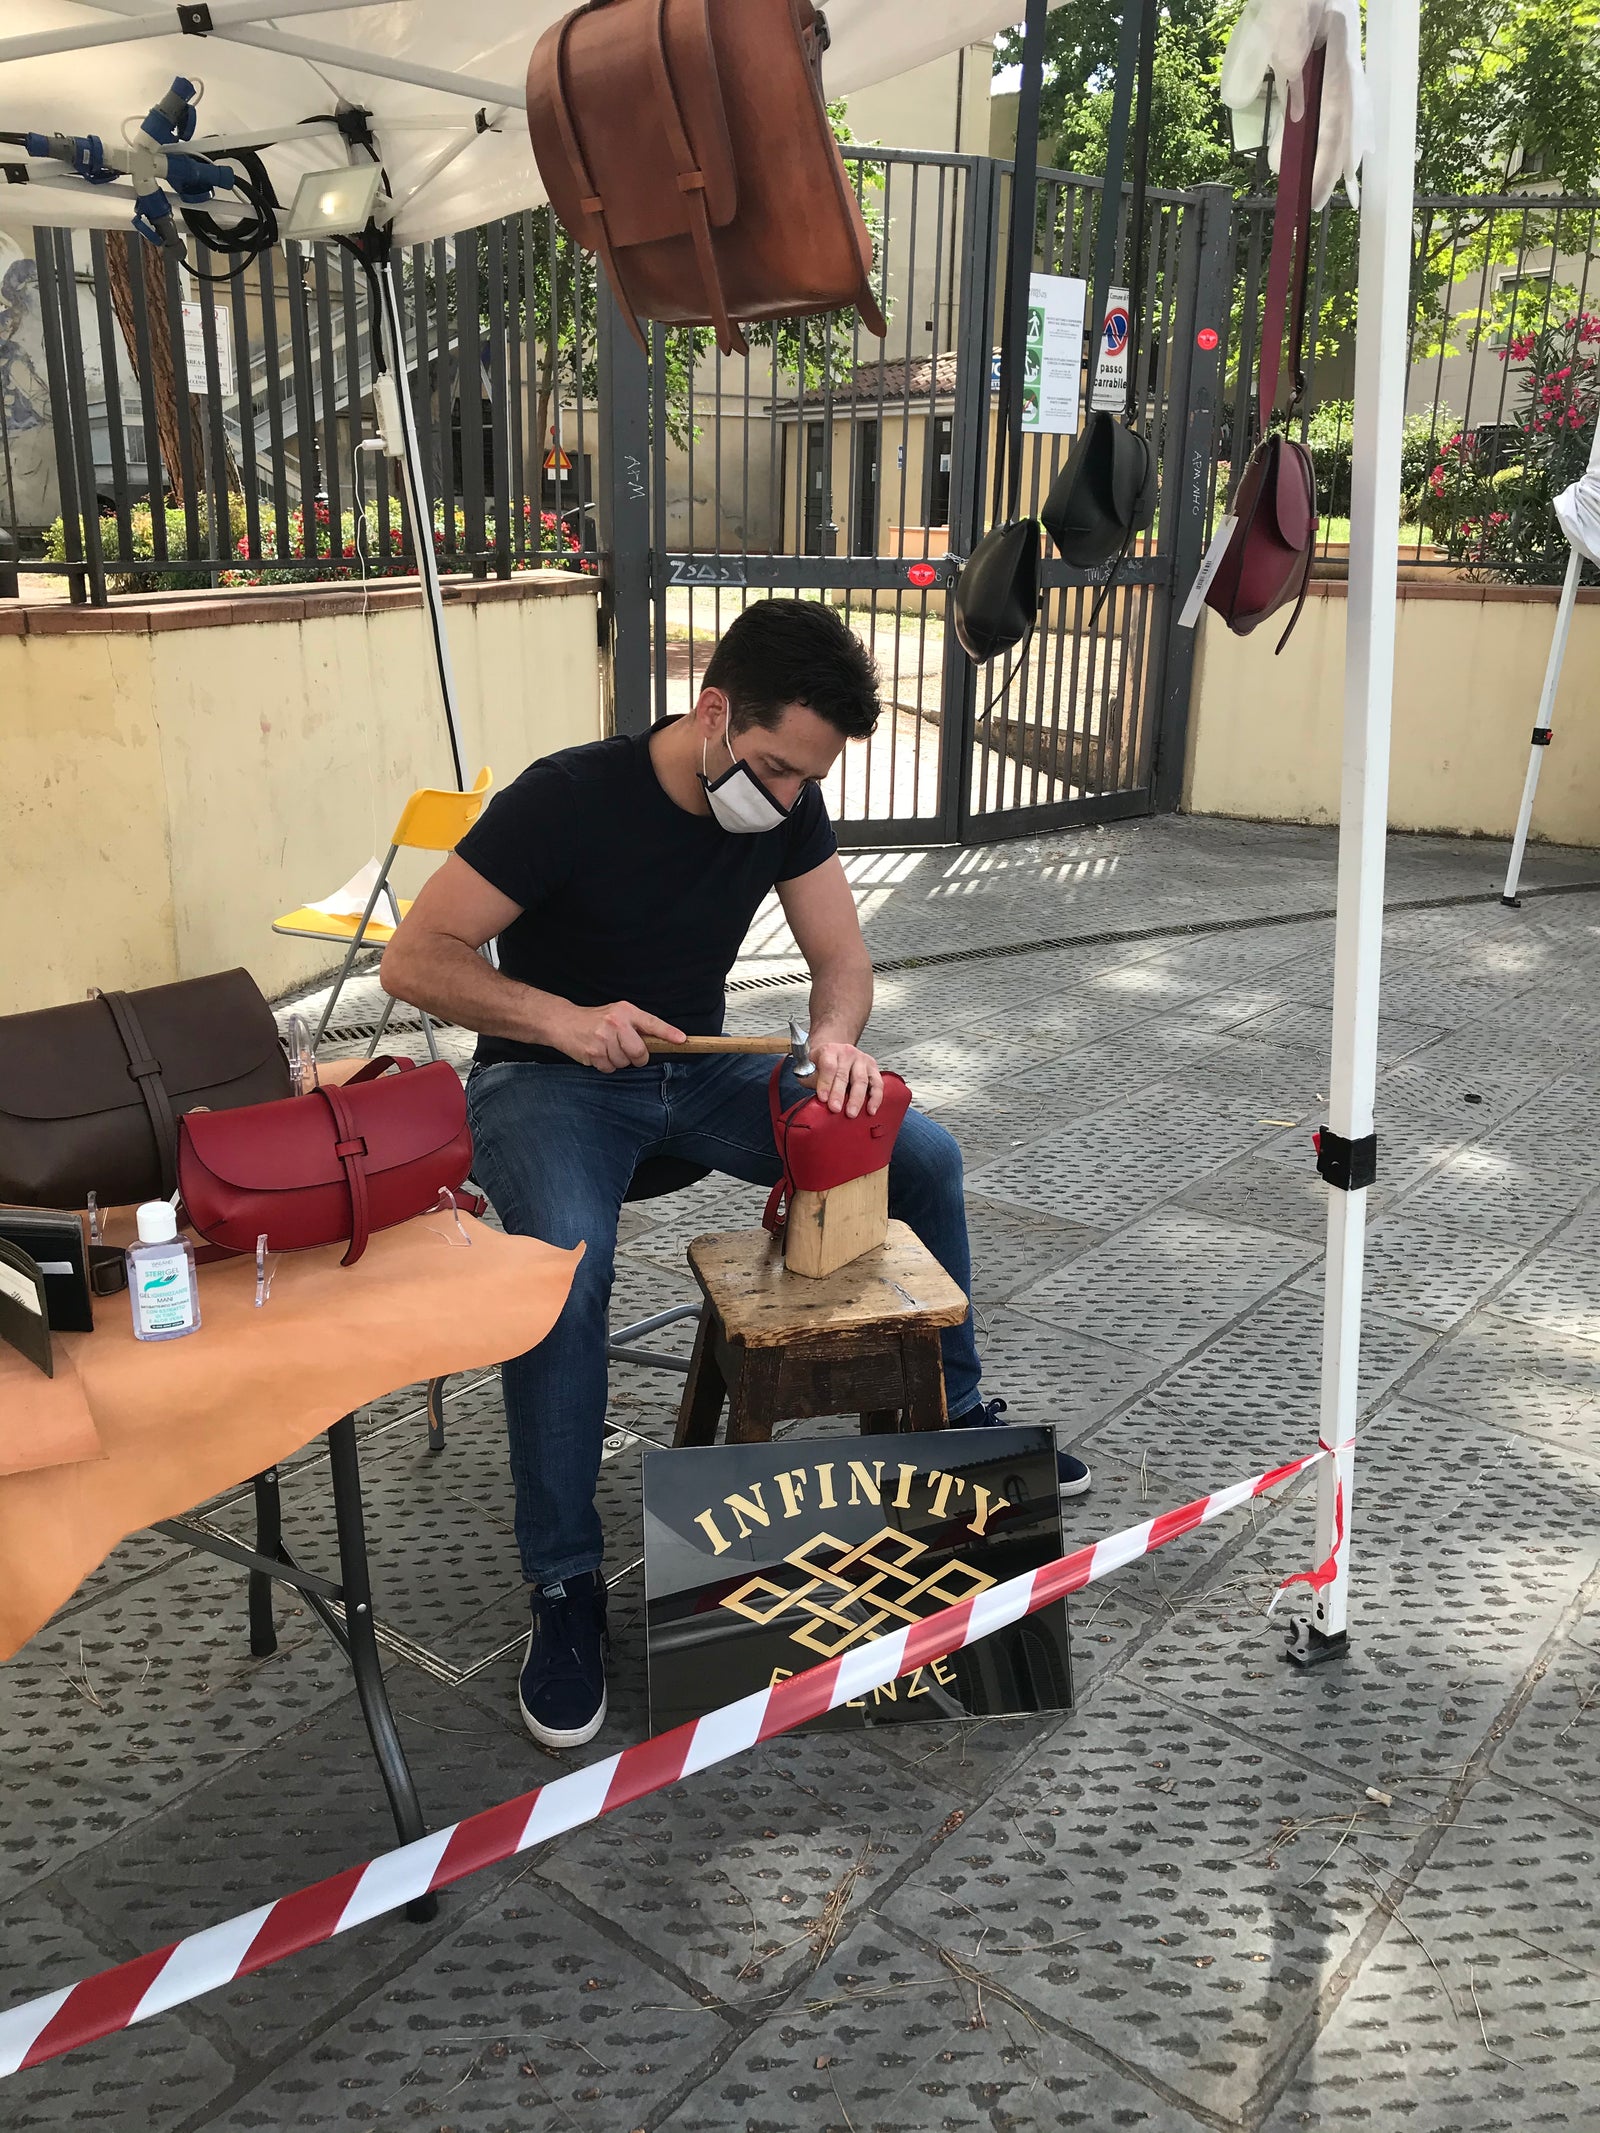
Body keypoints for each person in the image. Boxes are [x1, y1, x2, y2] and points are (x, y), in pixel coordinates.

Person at [380, 599, 1091, 1751]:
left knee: (920, 1154)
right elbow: (414, 959)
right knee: (564, 1268)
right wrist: (557, 1019)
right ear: (714, 714)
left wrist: (840, 1042)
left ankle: (958, 1422)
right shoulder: (567, 798)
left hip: (698, 1073)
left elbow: (841, 962)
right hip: (546, 1083)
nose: (791, 797)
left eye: (809, 779)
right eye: (774, 768)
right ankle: (563, 1584)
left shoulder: (780, 802)